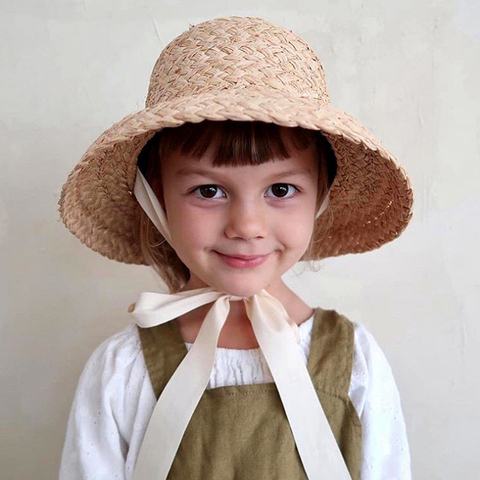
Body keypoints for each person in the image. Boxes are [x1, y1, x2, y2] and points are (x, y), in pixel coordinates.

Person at [58, 16, 413, 480]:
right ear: (156, 199)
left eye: (281, 190)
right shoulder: (120, 371)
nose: (246, 226)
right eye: (209, 191)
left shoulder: (356, 363)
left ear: (320, 195)